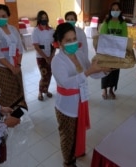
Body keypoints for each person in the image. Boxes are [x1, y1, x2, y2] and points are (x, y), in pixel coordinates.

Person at [51, 23, 110, 167]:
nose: (73, 43)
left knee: (78, 130)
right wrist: (89, 72)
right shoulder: (57, 61)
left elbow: (92, 72)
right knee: (67, 136)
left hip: (81, 100)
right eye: (68, 40)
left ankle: (78, 151)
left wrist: (105, 71)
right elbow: (66, 83)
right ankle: (68, 162)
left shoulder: (79, 54)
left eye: (74, 39)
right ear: (60, 43)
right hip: (66, 105)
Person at [0, 4, 28, 110]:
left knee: (17, 89)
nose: (0, 18)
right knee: (6, 92)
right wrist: (11, 67)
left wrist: (18, 64)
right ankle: (3, 115)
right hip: (1, 68)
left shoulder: (13, 29)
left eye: (3, 15)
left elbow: (19, 48)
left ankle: (16, 113)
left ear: (8, 16)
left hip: (15, 65)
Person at [99, 2, 128, 100]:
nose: (115, 11)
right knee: (106, 70)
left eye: (117, 9)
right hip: (107, 51)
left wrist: (122, 51)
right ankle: (104, 89)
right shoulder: (107, 22)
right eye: (113, 9)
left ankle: (111, 89)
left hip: (118, 52)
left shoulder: (122, 23)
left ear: (120, 11)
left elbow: (124, 38)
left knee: (115, 71)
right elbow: (103, 36)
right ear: (110, 11)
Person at [32, 10, 55, 101]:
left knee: (49, 74)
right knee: (44, 75)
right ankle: (40, 92)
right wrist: (46, 57)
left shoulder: (51, 30)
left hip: (50, 56)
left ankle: (46, 90)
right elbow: (36, 47)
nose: (44, 19)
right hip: (41, 57)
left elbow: (55, 44)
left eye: (45, 18)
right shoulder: (36, 31)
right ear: (38, 19)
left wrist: (51, 56)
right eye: (42, 18)